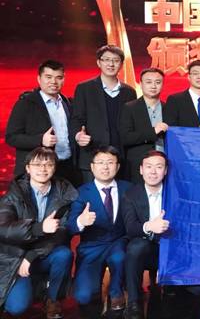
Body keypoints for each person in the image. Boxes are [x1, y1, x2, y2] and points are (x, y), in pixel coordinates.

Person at [122, 151, 200, 319]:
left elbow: (188, 226)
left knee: (196, 290)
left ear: (166, 170)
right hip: (148, 248)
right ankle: (133, 302)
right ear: (141, 170)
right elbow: (131, 228)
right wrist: (150, 226)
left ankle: (177, 293)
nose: (153, 172)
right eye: (149, 167)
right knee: (135, 247)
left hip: (174, 248)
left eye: (159, 167)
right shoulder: (130, 194)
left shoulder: (177, 193)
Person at [0, 147, 76, 318]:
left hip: (42, 254)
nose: (43, 169)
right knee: (16, 307)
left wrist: (31, 256)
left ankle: (52, 299)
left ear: (54, 168)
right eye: (37, 165)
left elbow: (61, 232)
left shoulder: (64, 194)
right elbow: (3, 229)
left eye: (48, 164)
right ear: (27, 168)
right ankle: (35, 287)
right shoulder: (13, 195)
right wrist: (38, 228)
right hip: (15, 257)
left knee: (64, 254)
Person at [67, 146, 133, 318]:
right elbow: (70, 226)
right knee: (83, 297)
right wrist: (81, 221)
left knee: (119, 257)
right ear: (92, 166)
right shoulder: (81, 192)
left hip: (118, 242)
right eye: (100, 162)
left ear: (117, 166)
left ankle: (116, 292)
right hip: (92, 246)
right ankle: (95, 289)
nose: (105, 167)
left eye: (110, 162)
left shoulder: (129, 189)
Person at [6, 60, 80, 185]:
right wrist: (40, 140)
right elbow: (11, 137)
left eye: (59, 77)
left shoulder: (68, 103)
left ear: (64, 79)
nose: (53, 82)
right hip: (38, 170)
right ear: (39, 79)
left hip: (67, 168)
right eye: (48, 77)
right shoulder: (25, 104)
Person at [70, 45, 137, 182]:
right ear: (98, 62)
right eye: (106, 59)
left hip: (120, 158)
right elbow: (76, 118)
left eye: (116, 60)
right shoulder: (84, 88)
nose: (111, 64)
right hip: (92, 155)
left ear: (121, 64)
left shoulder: (129, 92)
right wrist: (78, 135)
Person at [120, 68, 167, 184]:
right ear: (140, 84)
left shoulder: (169, 108)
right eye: (148, 82)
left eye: (158, 82)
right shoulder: (129, 108)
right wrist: (153, 132)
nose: (153, 86)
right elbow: (125, 138)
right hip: (138, 164)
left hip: (165, 164)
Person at [164, 59, 200, 127]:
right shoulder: (175, 100)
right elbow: (170, 127)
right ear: (189, 77)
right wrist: (197, 130)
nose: (199, 77)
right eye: (195, 73)